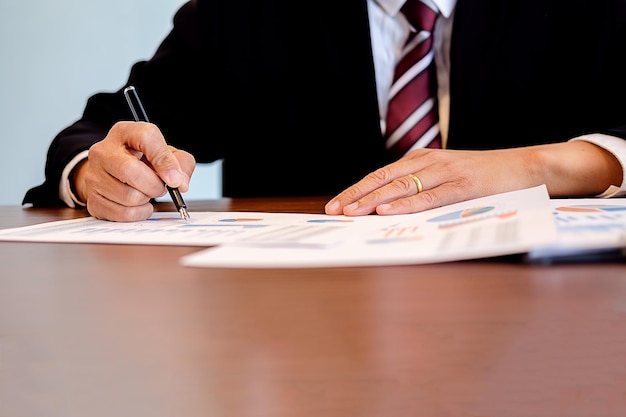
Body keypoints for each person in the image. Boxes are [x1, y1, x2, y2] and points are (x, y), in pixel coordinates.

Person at [24, 0, 626, 222]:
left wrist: (538, 165)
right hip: (303, 328)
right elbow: (105, 131)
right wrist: (92, 171)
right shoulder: (248, 11)